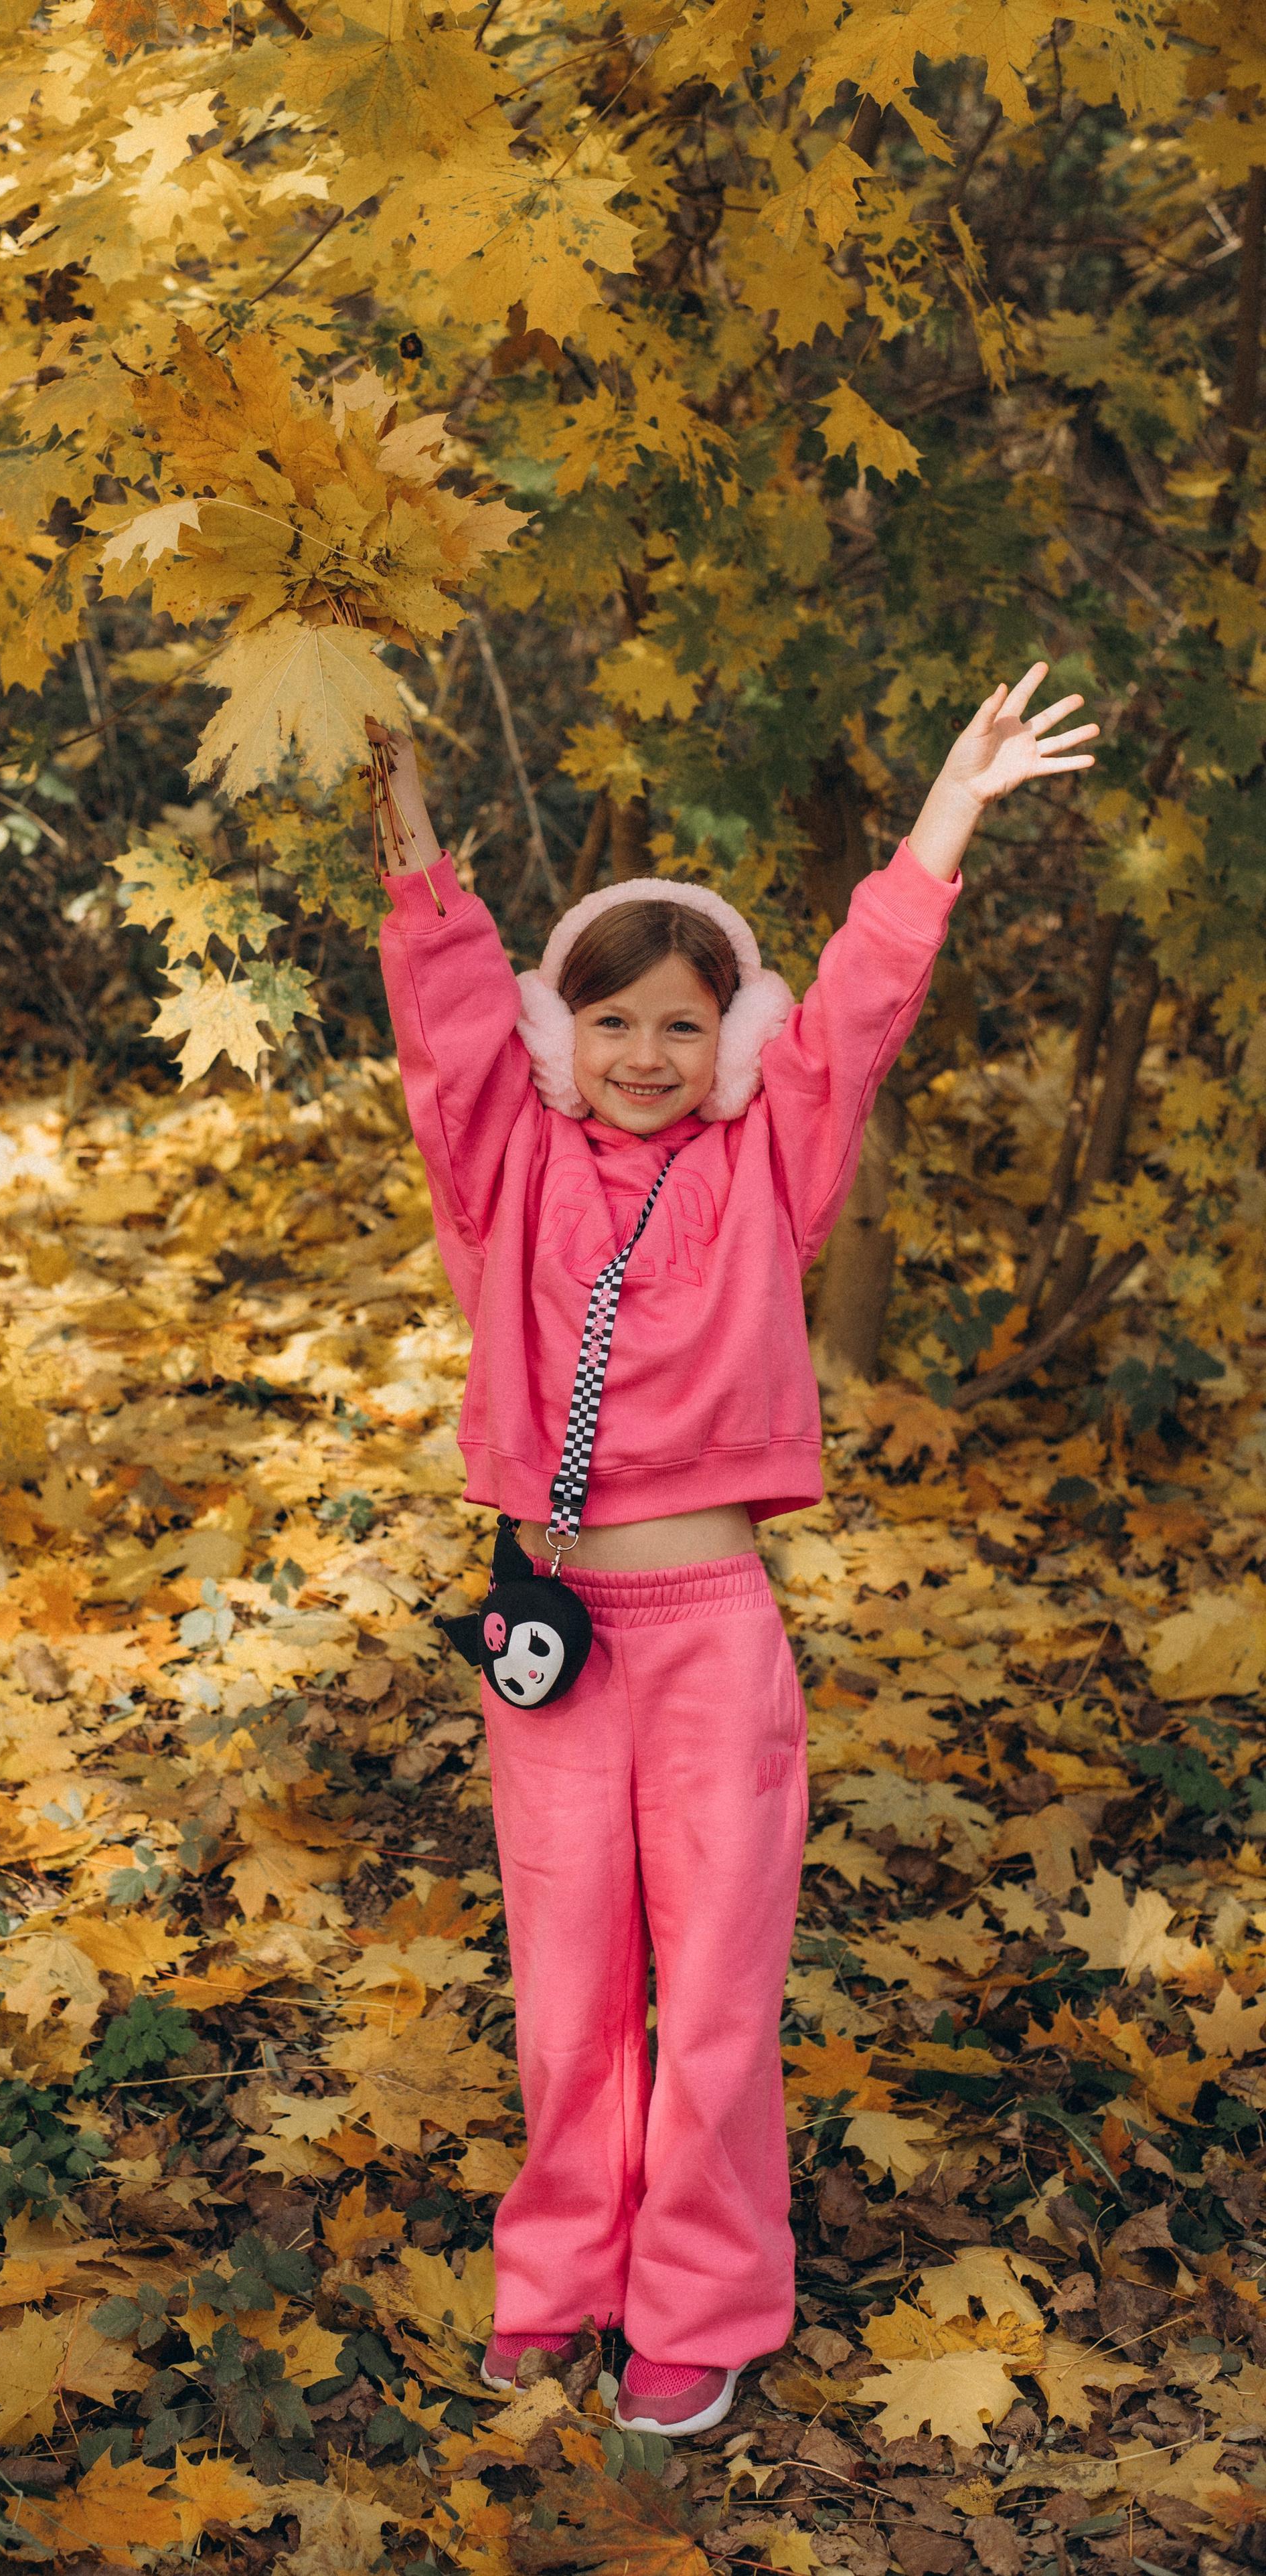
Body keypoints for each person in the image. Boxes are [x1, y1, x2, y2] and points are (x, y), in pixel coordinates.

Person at [368, 668, 1098, 2437]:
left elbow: (860, 1008)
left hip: (708, 1633)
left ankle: (693, 2308)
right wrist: (394, 788)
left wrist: (947, 819)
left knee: (710, 1993)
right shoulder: (507, 1171)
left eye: (681, 1026)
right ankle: (557, 2284)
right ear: (562, 1036)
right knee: (565, 1992)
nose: (642, 1054)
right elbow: (442, 1005)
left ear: (729, 1040)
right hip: (553, 1632)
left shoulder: (772, 1165)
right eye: (608, 1021)